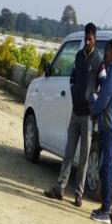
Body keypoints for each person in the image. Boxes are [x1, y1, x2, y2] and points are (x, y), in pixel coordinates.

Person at [44, 23, 102, 207]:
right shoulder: (78, 57)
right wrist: (74, 92)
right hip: (75, 114)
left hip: (88, 117)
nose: (87, 41)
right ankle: (59, 189)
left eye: (90, 39)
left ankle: (78, 194)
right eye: (86, 38)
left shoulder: (99, 61)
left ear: (95, 40)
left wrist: (93, 103)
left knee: (84, 158)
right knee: (68, 153)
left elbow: (102, 85)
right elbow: (72, 77)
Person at [89, 39, 112, 224]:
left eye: (109, 51)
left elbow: (103, 99)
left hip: (109, 128)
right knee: (104, 167)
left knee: (106, 168)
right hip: (107, 126)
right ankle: (104, 207)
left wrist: (93, 109)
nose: (106, 53)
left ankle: (106, 210)